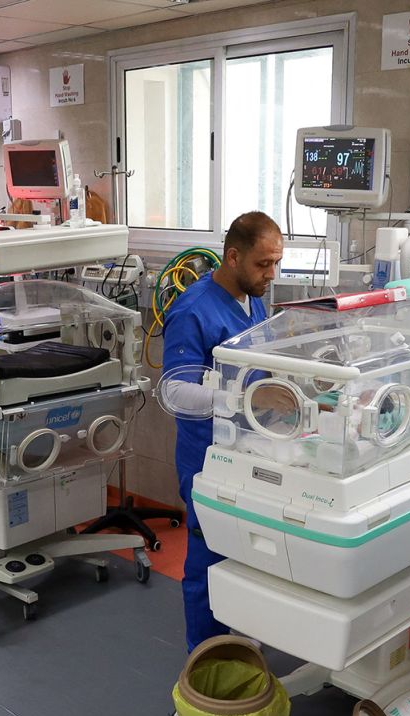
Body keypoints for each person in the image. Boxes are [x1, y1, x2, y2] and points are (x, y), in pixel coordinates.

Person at [162, 211, 283, 651]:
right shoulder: (194, 311)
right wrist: (247, 401)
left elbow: (260, 371)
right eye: (262, 264)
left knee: (246, 561)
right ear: (233, 257)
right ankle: (205, 664)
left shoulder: (255, 302)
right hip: (208, 464)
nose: (271, 274)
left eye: (276, 263)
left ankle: (240, 646)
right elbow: (175, 393)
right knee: (208, 568)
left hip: (249, 454)